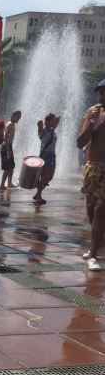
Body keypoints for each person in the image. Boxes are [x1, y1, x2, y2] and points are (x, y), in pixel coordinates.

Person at [77, 79, 105, 271]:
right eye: (101, 92)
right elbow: (80, 142)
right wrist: (92, 125)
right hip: (92, 166)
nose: (102, 96)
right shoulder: (93, 113)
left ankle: (94, 254)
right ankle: (98, 241)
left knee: (100, 210)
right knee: (90, 208)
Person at [33, 113, 60, 205]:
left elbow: (57, 122)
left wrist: (57, 119)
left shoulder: (52, 130)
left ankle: (38, 194)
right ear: (48, 122)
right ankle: (38, 196)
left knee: (49, 176)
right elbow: (40, 133)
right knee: (45, 176)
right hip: (46, 156)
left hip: (52, 156)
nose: (54, 122)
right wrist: (39, 126)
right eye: (52, 120)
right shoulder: (44, 131)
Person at [0, 110, 22, 191]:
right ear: (13, 116)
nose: (19, 119)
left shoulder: (12, 124)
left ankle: (9, 183)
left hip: (8, 146)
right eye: (18, 117)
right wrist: (8, 149)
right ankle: (2, 185)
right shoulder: (10, 124)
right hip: (6, 147)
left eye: (20, 118)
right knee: (7, 167)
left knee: (11, 167)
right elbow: (5, 137)